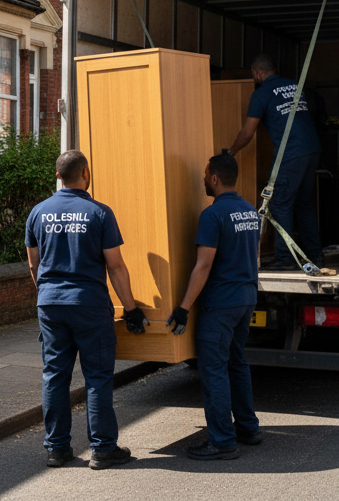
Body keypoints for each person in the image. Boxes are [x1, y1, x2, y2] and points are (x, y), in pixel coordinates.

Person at [26, 149, 149, 470]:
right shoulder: (99, 213)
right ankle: (103, 449)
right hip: (90, 305)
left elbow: (33, 264)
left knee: (54, 375)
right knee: (96, 377)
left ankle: (56, 449)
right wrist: (132, 308)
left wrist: (47, 297)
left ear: (57, 176)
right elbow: (116, 267)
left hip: (51, 305)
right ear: (86, 174)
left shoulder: (38, 213)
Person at [167, 152, 264, 460]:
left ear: (214, 178)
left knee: (214, 370)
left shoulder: (213, 215)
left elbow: (203, 265)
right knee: (236, 362)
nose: (203, 180)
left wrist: (183, 306)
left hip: (221, 304)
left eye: (205, 175)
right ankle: (248, 427)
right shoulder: (250, 211)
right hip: (246, 298)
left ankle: (221, 441)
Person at [227, 54, 322, 270]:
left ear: (258, 73)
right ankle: (315, 256)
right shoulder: (294, 85)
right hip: (312, 149)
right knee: (303, 203)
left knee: (280, 203)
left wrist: (230, 152)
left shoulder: (260, 95)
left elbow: (247, 132)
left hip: (292, 152)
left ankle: (285, 260)